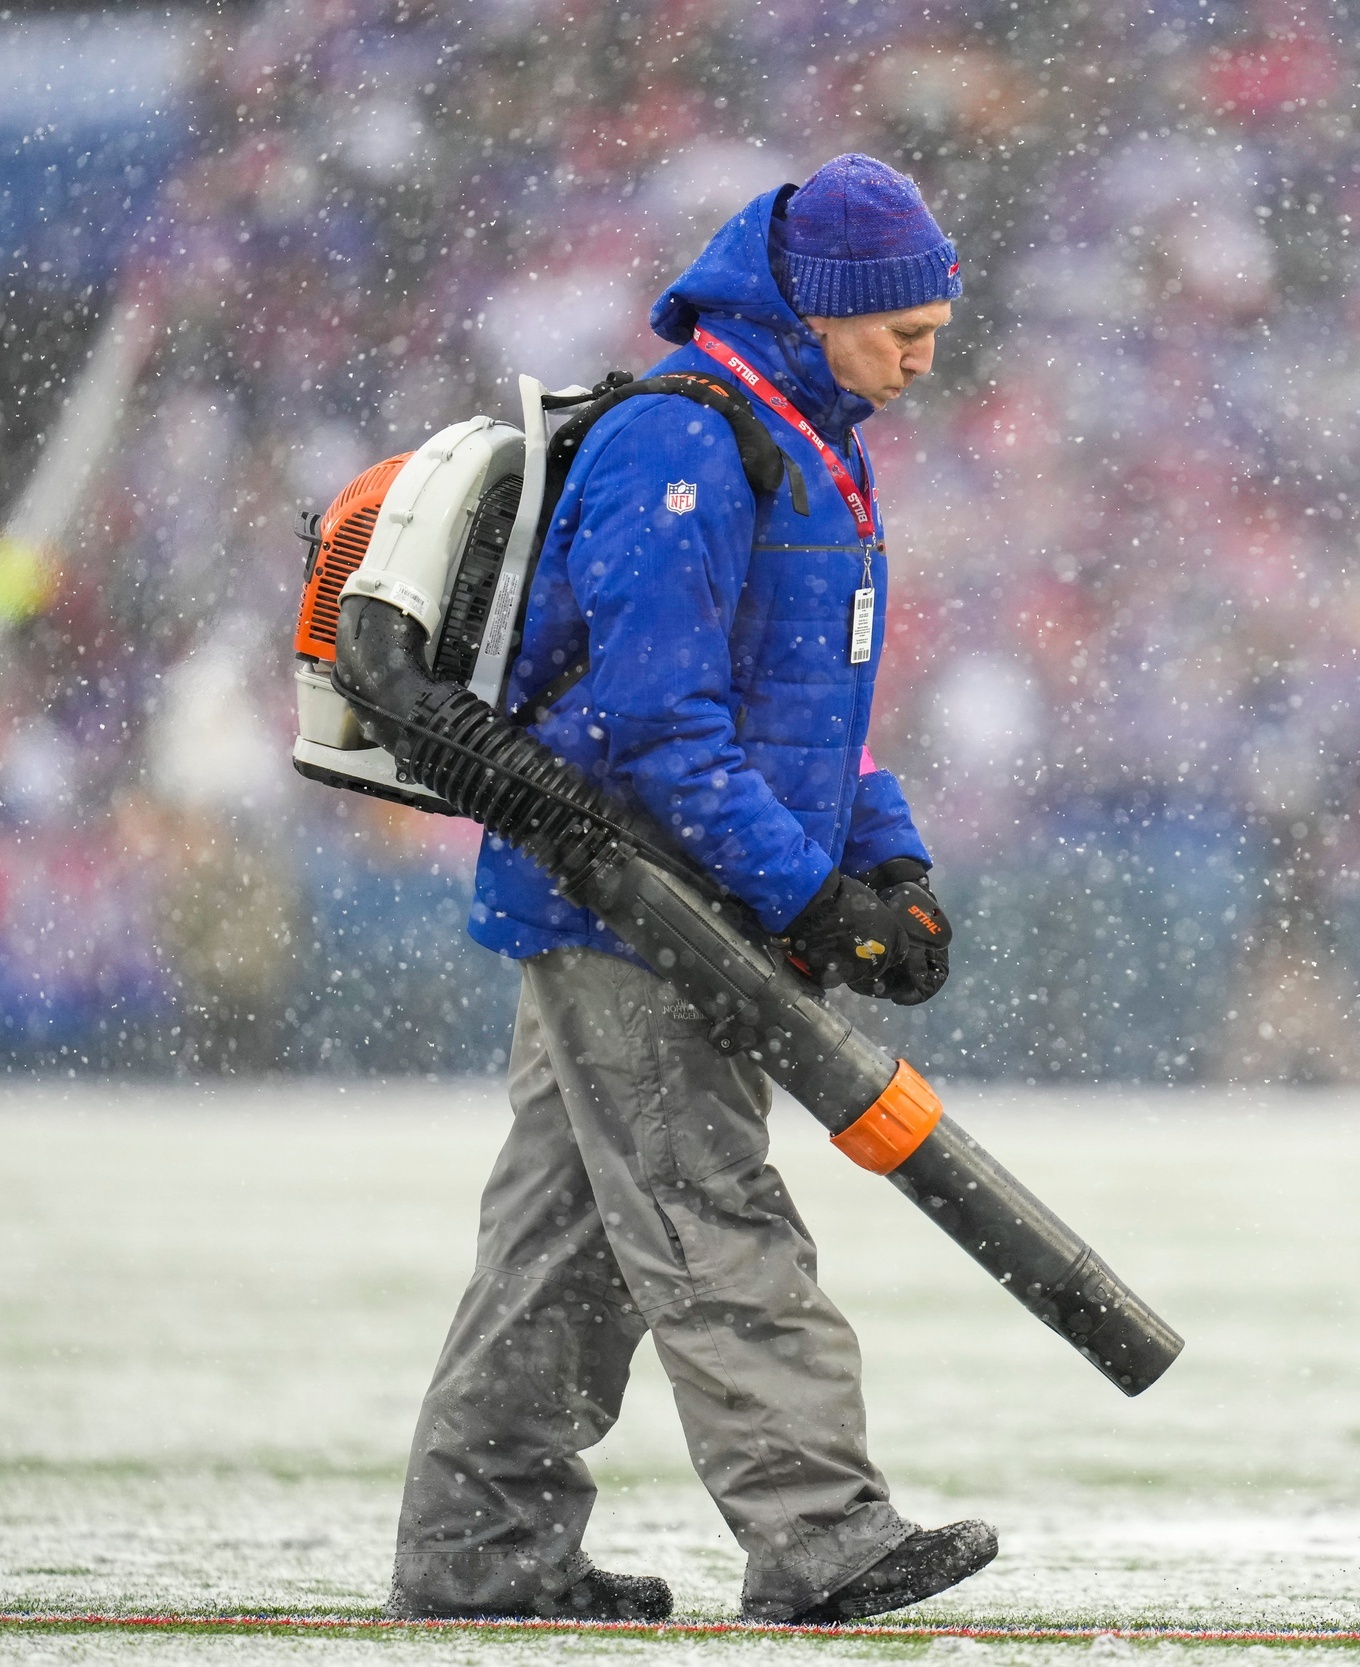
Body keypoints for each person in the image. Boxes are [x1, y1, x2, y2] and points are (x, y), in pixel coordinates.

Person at [388, 156, 991, 1625]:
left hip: (664, 897)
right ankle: (821, 1535)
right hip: (632, 907)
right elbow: (664, 729)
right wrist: (808, 895)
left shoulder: (800, 435)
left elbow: (806, 714)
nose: (922, 363)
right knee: (715, 1218)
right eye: (899, 334)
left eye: (935, 334)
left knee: (566, 1252)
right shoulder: (694, 441)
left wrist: (885, 857)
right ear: (818, 306)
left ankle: (482, 1554)